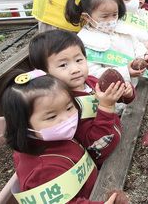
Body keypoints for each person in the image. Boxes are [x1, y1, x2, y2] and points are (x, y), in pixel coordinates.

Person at [0, 70, 119, 203]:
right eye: (51, 116)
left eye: (69, 107)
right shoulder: (42, 171)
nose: (67, 119)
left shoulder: (55, 138)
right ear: (22, 125)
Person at [28, 29, 133, 166]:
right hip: (103, 160)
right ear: (44, 72)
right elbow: (94, 143)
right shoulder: (65, 105)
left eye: (78, 60)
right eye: (63, 65)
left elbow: (120, 99)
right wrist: (106, 107)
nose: (75, 69)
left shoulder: (91, 81)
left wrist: (126, 94)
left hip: (118, 139)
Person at [65, 0, 148, 87]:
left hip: (133, 86)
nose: (111, 20)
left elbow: (137, 46)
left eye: (114, 14)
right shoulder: (84, 42)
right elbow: (92, 73)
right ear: (87, 17)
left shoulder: (122, 28)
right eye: (105, 16)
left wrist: (146, 56)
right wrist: (125, 72)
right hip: (111, 96)